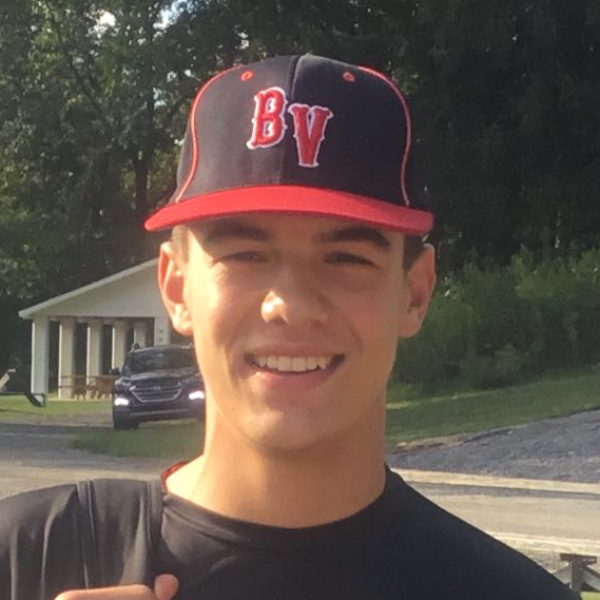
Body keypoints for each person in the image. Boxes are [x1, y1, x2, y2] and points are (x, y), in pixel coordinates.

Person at [0, 55, 577, 600]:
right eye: (245, 255)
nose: (292, 305)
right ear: (176, 288)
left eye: (347, 258)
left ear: (415, 292)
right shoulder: (30, 556)